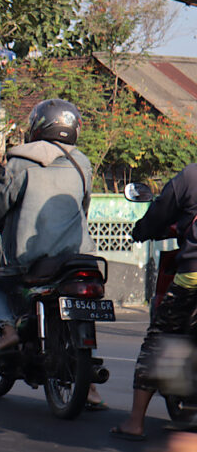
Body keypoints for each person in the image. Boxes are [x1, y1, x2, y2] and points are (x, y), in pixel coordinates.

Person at [0, 99, 95, 354]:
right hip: (77, 255)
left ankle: (7, 330)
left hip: (27, 257)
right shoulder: (81, 163)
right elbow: (83, 207)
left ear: (38, 125)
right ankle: (88, 385)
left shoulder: (20, 161)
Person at [111, 164, 197, 442]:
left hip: (193, 276)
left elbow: (161, 211)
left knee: (161, 339)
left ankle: (136, 422)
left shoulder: (191, 176)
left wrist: (141, 230)